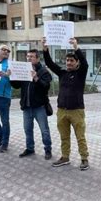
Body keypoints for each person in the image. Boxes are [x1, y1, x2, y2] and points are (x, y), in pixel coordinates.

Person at [42, 37, 90, 171]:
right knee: (64, 136)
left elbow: (85, 64)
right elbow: (50, 64)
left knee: (80, 137)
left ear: (77, 63)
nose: (68, 63)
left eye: (71, 61)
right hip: (61, 111)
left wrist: (76, 47)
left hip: (77, 111)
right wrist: (45, 50)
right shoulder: (62, 73)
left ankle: (84, 159)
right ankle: (65, 157)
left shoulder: (81, 73)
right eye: (67, 60)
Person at [10, 49, 53, 160]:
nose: (29, 58)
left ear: (37, 58)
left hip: (39, 107)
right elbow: (17, 85)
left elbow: (45, 87)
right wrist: (11, 77)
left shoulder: (43, 71)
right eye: (28, 56)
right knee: (27, 129)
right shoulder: (24, 69)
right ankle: (30, 148)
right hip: (27, 106)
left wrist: (36, 78)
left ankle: (48, 149)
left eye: (31, 57)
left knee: (44, 130)